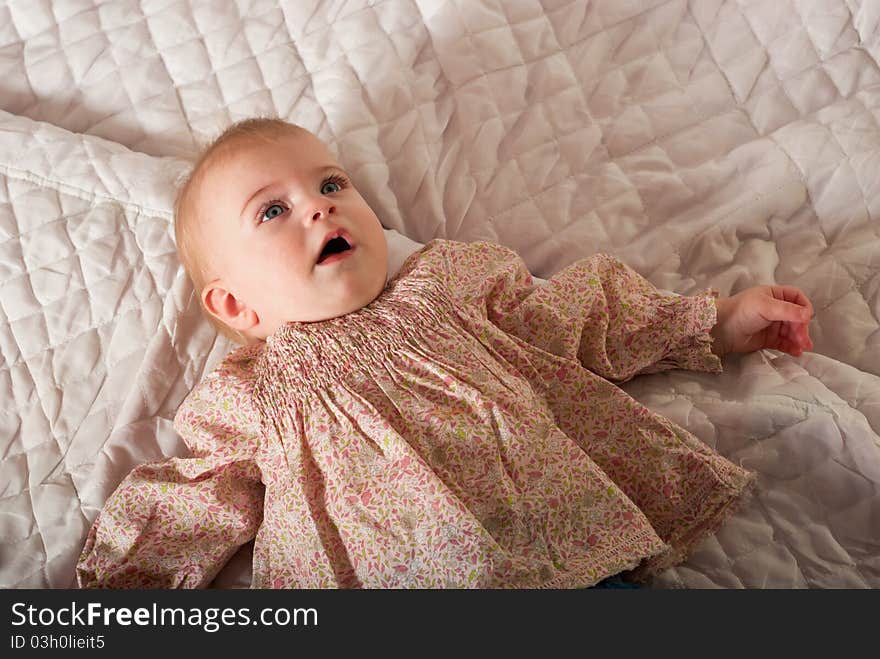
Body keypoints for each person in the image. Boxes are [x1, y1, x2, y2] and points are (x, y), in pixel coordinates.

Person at [76, 118, 814, 588]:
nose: (320, 205)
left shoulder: (448, 281)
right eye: (273, 210)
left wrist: (711, 321)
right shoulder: (253, 396)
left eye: (331, 183)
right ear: (237, 306)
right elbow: (186, 501)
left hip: (563, 555)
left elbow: (578, 317)